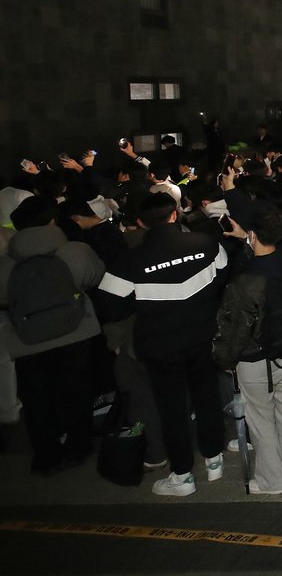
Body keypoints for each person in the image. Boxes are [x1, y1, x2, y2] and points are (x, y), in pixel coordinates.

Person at [97, 192, 229, 496]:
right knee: (207, 396)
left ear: (141, 222)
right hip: (203, 336)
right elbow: (222, 276)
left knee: (171, 409)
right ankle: (214, 460)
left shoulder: (129, 261)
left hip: (159, 345)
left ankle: (182, 475)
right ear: (174, 215)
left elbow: (110, 305)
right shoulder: (206, 244)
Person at [0, 196, 105, 475]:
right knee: (77, 390)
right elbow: (95, 277)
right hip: (75, 331)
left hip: (28, 340)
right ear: (52, 221)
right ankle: (78, 446)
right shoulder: (74, 251)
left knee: (37, 399)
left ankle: (46, 455)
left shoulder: (6, 264)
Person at [211, 203, 282, 495]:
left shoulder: (244, 280)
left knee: (261, 419)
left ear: (252, 235)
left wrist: (224, 358)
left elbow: (235, 327)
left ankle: (272, 481)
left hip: (255, 359)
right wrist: (246, 238)